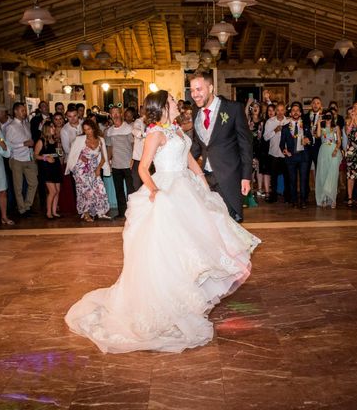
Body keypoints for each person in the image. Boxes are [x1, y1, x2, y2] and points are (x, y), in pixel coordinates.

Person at [65, 90, 260, 353]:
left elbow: (190, 159)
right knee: (169, 251)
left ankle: (188, 298)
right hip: (168, 190)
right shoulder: (155, 132)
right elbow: (144, 168)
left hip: (187, 189)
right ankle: (168, 304)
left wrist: (204, 185)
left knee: (195, 245)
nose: (176, 103)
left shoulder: (176, 129)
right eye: (170, 101)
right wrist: (156, 191)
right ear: (162, 107)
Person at [190, 72, 253, 222]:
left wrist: (246, 177)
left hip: (229, 176)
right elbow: (199, 145)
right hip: (205, 178)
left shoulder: (233, 109)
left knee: (231, 223)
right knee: (211, 224)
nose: (194, 95)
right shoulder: (195, 111)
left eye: (199, 89)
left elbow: (246, 145)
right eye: (192, 90)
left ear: (210, 87)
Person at [65, 119, 111, 221]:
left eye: (89, 129)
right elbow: (72, 153)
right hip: (81, 169)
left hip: (94, 167)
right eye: (85, 130)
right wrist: (79, 157)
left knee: (99, 188)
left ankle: (101, 211)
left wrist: (98, 168)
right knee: (85, 191)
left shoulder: (100, 140)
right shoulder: (80, 139)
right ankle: (86, 213)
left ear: (94, 128)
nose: (87, 132)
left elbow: (104, 157)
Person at [5, 102, 39, 217]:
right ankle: (21, 209)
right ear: (15, 111)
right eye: (22, 110)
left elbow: (28, 139)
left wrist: (30, 143)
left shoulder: (26, 124)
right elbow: (7, 145)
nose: (25, 113)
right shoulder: (10, 126)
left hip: (28, 157)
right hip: (16, 159)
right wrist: (23, 144)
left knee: (34, 183)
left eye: (25, 110)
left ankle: (27, 205)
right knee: (18, 186)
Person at [280, 102, 312, 208]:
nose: (295, 112)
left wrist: (308, 140)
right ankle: (294, 200)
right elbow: (281, 144)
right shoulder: (285, 128)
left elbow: (311, 139)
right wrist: (284, 150)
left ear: (301, 112)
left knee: (303, 180)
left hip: (304, 156)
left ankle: (303, 201)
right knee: (292, 180)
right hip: (291, 157)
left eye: (297, 110)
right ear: (290, 113)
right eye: (293, 110)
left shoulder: (306, 126)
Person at [105, 107, 134, 219]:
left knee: (131, 190)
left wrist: (132, 160)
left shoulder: (128, 128)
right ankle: (122, 213)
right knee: (119, 190)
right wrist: (108, 162)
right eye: (113, 113)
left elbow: (133, 145)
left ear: (121, 114)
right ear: (110, 115)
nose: (115, 115)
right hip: (116, 165)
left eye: (117, 113)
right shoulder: (109, 131)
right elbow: (109, 147)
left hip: (128, 164)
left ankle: (132, 212)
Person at [263, 103, 290, 204]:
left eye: (282, 110)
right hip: (274, 153)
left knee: (287, 177)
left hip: (285, 153)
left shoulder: (288, 121)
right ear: (275, 111)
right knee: (273, 177)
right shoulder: (270, 122)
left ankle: (287, 197)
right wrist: (275, 130)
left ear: (285, 111)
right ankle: (273, 197)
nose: (279, 112)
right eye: (277, 110)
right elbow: (265, 137)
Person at [34, 121, 62, 219]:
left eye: (54, 127)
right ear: (46, 129)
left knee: (57, 191)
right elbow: (35, 155)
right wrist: (46, 158)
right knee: (52, 191)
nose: (54, 128)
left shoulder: (54, 140)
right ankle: (48, 212)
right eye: (52, 127)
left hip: (56, 166)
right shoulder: (41, 141)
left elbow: (58, 154)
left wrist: (59, 149)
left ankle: (54, 212)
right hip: (46, 168)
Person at [314, 109, 341, 208]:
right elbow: (318, 135)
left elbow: (339, 141)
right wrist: (319, 122)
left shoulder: (336, 127)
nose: (328, 118)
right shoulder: (322, 128)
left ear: (333, 117)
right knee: (323, 174)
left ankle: (332, 198)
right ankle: (324, 197)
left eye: (330, 116)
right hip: (323, 151)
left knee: (333, 175)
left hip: (334, 151)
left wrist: (336, 150)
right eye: (326, 116)